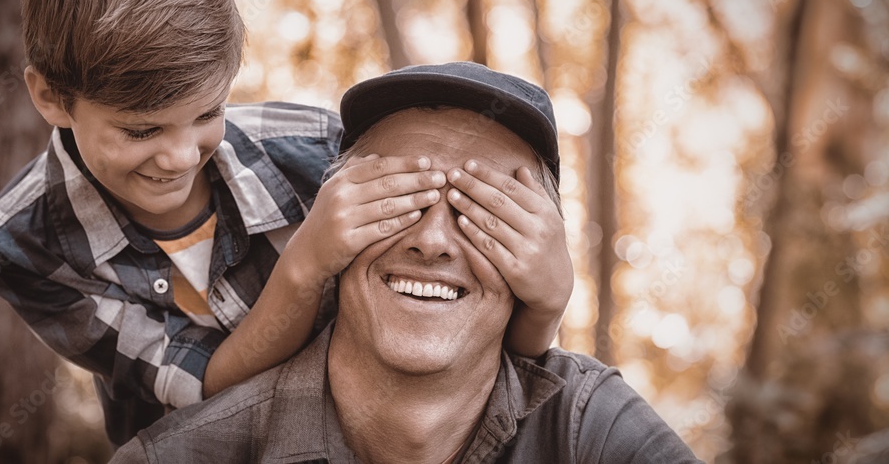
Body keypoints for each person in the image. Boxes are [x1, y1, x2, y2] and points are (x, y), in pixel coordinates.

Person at [0, 0, 564, 446]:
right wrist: (303, 268)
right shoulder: (20, 246)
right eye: (140, 129)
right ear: (51, 96)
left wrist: (548, 302)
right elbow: (202, 387)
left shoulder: (317, 150)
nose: (178, 157)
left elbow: (466, 330)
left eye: (207, 115)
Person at [109, 62, 701, 463]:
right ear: (330, 229)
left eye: (482, 210)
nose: (434, 240)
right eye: (399, 198)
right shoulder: (184, 455)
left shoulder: (589, 431)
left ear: (539, 258)